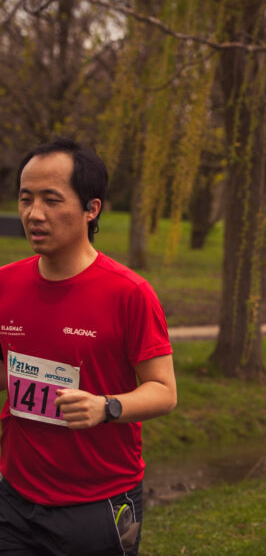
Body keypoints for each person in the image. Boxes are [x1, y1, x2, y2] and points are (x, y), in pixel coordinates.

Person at [0, 138, 177, 555]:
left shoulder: (129, 293)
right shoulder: (5, 283)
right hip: (14, 497)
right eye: (26, 199)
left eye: (51, 200)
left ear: (91, 208)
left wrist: (106, 407)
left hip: (98, 502)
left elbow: (164, 391)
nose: (34, 214)